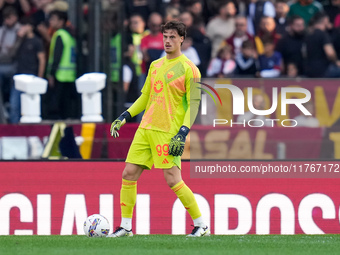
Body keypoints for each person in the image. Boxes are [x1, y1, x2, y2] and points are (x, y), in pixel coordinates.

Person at [108, 20, 209, 238]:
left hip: (168, 131)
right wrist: (125, 116)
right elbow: (146, 96)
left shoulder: (189, 69)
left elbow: (194, 105)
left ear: (182, 39)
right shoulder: (155, 65)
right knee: (128, 173)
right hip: (145, 128)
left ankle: (201, 224)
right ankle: (125, 226)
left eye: (173, 37)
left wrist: (182, 132)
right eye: (165, 37)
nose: (168, 41)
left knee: (173, 179)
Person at [10, 17, 45, 124]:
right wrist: (18, 38)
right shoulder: (20, 40)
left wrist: (40, 77)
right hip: (19, 76)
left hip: (31, 76)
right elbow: (11, 54)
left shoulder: (37, 41)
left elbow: (42, 60)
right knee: (14, 105)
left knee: (31, 106)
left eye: (25, 26)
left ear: (30, 27)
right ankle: (15, 128)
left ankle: (30, 127)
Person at [46, 10, 78, 119]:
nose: (50, 21)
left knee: (56, 105)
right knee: (67, 105)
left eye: (53, 19)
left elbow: (57, 56)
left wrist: (51, 74)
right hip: (70, 75)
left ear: (61, 21)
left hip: (60, 74)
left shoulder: (60, 34)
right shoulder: (70, 35)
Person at [303, 12, 340, 78]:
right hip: (324, 69)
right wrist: (336, 61)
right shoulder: (323, 35)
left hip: (309, 69)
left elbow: (304, 52)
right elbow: (330, 53)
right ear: (325, 20)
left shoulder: (308, 35)